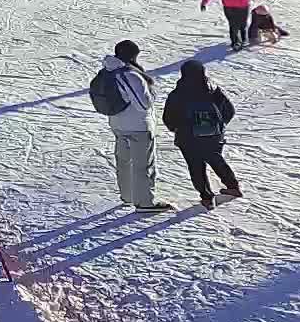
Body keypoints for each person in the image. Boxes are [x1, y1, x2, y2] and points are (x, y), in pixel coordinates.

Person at [94, 40, 171, 211]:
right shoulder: (130, 75)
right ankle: (145, 202)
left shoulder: (107, 71)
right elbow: (143, 104)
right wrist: (151, 91)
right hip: (138, 126)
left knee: (124, 162)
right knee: (143, 164)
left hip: (117, 124)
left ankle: (128, 196)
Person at [162, 60, 243, 210]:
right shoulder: (213, 89)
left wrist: (178, 130)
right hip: (213, 135)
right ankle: (233, 186)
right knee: (216, 159)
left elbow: (168, 118)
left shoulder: (177, 94)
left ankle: (206, 197)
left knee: (195, 166)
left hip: (188, 138)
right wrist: (218, 126)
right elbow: (229, 110)